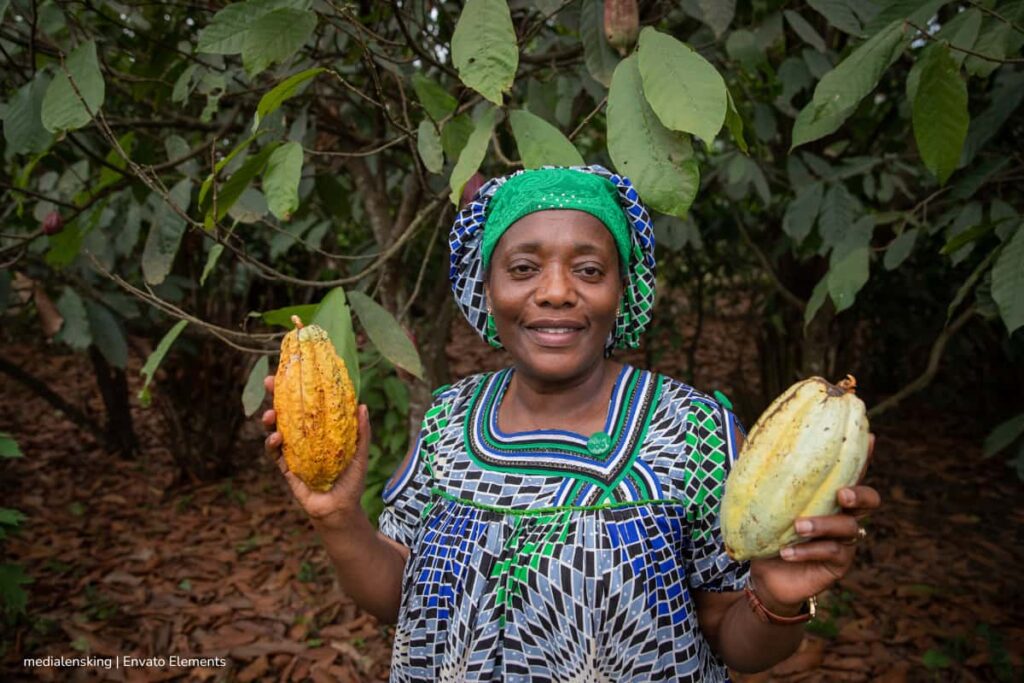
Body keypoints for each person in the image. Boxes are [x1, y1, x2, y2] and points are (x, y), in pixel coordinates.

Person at [262, 165, 881, 681]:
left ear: (621, 290)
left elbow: (731, 640)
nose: (557, 292)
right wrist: (338, 518)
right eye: (524, 268)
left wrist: (776, 598)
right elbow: (402, 600)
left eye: (588, 270)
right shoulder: (449, 419)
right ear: (488, 288)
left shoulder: (692, 429)